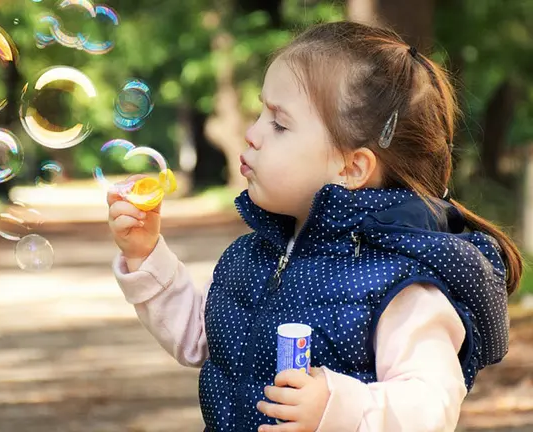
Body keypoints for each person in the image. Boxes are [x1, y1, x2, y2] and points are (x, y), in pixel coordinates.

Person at [107, 20, 522, 432]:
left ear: (352, 166)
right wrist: (146, 255)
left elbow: (431, 405)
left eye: (279, 123)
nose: (252, 135)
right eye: (259, 112)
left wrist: (336, 406)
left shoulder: (400, 281)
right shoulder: (255, 254)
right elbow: (205, 338)